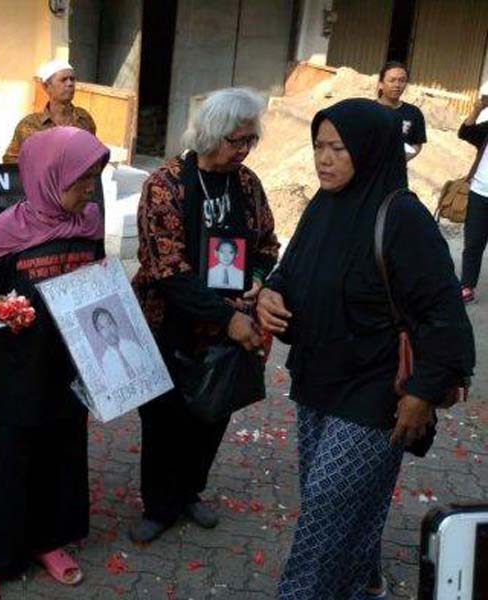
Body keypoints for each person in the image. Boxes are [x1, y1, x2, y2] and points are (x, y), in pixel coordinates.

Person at [256, 98, 475, 599]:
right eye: (318, 146)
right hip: (319, 380)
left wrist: (421, 392)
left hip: (376, 392)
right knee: (349, 499)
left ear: (371, 151)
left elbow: (444, 316)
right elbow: (291, 273)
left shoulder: (403, 219)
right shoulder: (323, 206)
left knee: (327, 506)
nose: (324, 159)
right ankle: (360, 582)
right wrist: (270, 293)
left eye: (338, 147)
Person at [0, 126, 108, 599]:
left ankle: (49, 541)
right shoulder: (9, 228)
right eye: (81, 180)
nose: (89, 190)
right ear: (49, 175)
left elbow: (99, 280)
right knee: (11, 459)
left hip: (71, 364)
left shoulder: (90, 221)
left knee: (62, 452)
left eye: (93, 179)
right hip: (20, 367)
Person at [130, 87, 279, 543]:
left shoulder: (248, 184)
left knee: (212, 413)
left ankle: (191, 491)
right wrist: (226, 317)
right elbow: (167, 268)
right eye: (237, 140)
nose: (244, 150)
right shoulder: (166, 184)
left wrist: (257, 275)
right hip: (168, 323)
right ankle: (160, 505)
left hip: (228, 329)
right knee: (162, 419)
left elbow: (268, 243)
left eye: (250, 141)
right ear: (212, 134)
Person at [2, 59, 96, 163]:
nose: (70, 84)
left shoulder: (84, 119)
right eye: (63, 80)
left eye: (72, 79)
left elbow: (94, 156)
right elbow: (11, 161)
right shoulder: (29, 125)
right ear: (46, 87)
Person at [458, 85, 488, 304]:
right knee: (474, 242)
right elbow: (465, 132)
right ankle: (467, 286)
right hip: (480, 192)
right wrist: (477, 109)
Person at [376, 61, 426, 161]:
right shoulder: (367, 110)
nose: (397, 85)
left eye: (402, 81)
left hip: (396, 174)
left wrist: (400, 160)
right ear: (381, 84)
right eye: (392, 80)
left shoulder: (414, 113)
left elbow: (417, 143)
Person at [92, 307, 147, 384]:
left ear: (116, 324)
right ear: (99, 334)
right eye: (102, 328)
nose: (108, 330)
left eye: (109, 323)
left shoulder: (133, 346)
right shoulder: (106, 362)